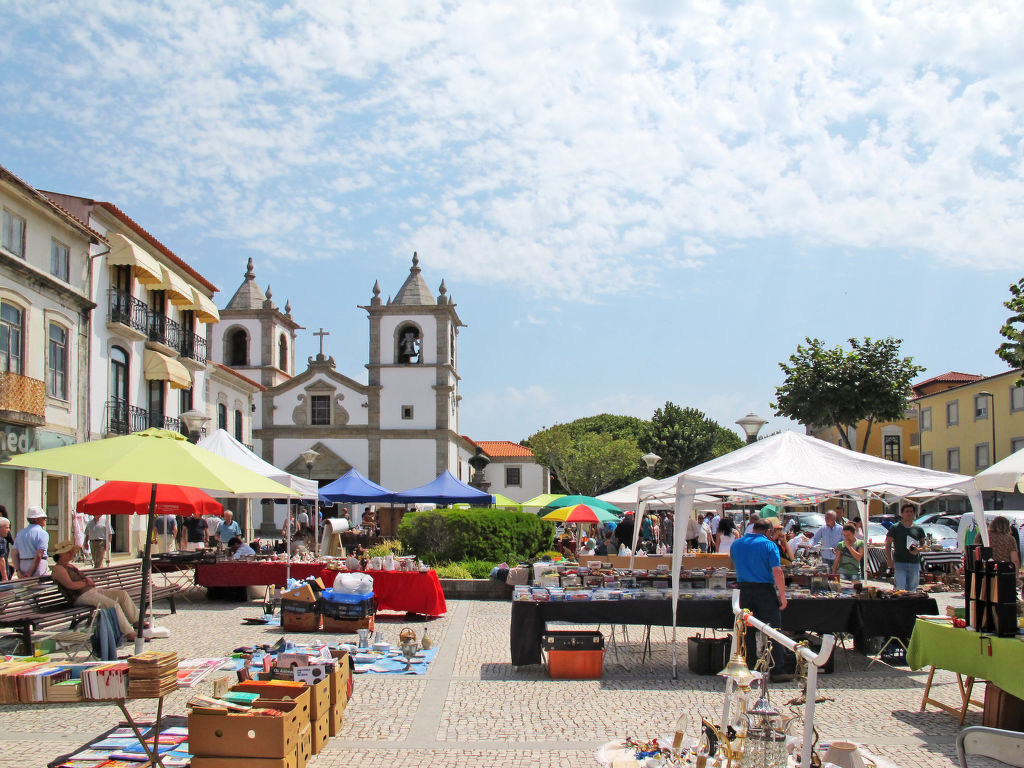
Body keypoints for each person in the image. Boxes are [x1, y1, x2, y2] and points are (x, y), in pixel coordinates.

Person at [729, 519, 790, 681]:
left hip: (743, 589)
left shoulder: (737, 544)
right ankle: (777, 670)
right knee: (773, 630)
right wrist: (782, 595)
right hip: (764, 590)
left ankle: (749, 666)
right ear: (768, 531)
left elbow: (735, 562)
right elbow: (777, 571)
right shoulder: (769, 545)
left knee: (747, 631)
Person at [50, 540, 140, 641]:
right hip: (80, 596)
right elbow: (70, 585)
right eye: (68, 552)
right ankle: (129, 633)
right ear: (61, 555)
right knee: (112, 605)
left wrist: (88, 581)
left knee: (122, 594)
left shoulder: (69, 566)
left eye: (72, 551)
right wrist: (85, 582)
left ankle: (136, 621)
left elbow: (82, 581)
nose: (72, 554)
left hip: (91, 591)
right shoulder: (58, 568)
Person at [885, 504, 926, 592]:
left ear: (914, 513)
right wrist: (889, 560)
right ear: (902, 514)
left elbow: (923, 545)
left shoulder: (918, 529)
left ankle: (911, 601)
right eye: (907, 511)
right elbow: (888, 544)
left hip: (914, 562)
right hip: (900, 562)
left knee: (912, 588)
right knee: (900, 587)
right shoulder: (895, 527)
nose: (909, 514)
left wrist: (918, 550)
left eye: (911, 512)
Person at [13, 506, 50, 577]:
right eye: (43, 518)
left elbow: (14, 554)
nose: (45, 519)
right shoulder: (42, 533)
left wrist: (18, 570)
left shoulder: (20, 533)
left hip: (23, 565)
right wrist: (30, 572)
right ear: (37, 519)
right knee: (39, 584)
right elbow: (39, 554)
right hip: (38, 566)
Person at [0, 516, 10, 581]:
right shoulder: (1, 540)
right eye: (6, 528)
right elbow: (1, 559)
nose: (9, 530)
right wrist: (5, 577)